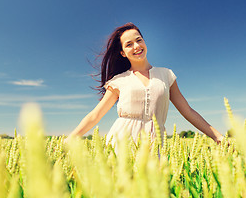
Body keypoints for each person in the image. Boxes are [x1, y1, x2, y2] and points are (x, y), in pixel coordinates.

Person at [65, 22, 224, 146]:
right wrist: (71, 138)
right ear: (122, 52)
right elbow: (95, 115)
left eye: (139, 40)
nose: (136, 46)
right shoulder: (118, 81)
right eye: (129, 44)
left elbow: (188, 111)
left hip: (155, 144)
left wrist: (217, 136)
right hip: (122, 144)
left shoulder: (166, 75)